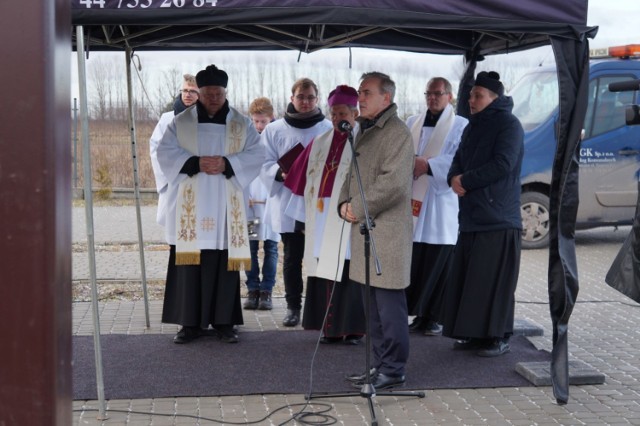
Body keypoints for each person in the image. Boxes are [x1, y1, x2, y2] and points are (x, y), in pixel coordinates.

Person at [157, 64, 265, 344]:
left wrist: (229, 163)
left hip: (226, 205)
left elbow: (257, 154)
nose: (214, 98)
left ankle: (224, 322)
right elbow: (164, 151)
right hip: (190, 209)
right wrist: (194, 162)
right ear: (200, 93)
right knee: (189, 263)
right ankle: (189, 324)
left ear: (225, 92)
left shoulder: (241, 124)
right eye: (208, 94)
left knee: (224, 261)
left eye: (218, 93)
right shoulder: (181, 123)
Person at [339, 72, 414, 390]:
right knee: (372, 308)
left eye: (367, 92)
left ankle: (394, 368)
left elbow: (394, 184)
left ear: (387, 97)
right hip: (366, 232)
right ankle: (379, 364)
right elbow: (351, 171)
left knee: (388, 307)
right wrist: (344, 202)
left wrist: (358, 206)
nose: (361, 97)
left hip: (387, 234)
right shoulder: (364, 130)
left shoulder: (397, 133)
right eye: (360, 91)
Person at [442, 71, 524, 357]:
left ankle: (497, 336)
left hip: (498, 216)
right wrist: (453, 177)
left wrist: (466, 180)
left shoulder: (509, 125)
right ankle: (475, 334)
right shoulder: (472, 126)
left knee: (494, 281)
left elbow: (503, 163)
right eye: (471, 94)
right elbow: (458, 158)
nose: (471, 99)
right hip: (472, 216)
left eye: (478, 95)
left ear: (494, 98)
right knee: (472, 279)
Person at [283, 85, 366, 344]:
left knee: (349, 271)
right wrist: (300, 218)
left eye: (342, 113)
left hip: (349, 216)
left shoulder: (364, 140)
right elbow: (300, 181)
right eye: (333, 114)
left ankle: (352, 329)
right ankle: (328, 328)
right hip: (321, 216)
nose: (336, 119)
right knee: (324, 270)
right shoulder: (320, 142)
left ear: (355, 113)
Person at [260, 78, 333, 327]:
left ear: (317, 99)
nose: (305, 102)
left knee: (318, 258)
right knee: (292, 258)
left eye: (310, 97)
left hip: (317, 204)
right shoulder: (274, 129)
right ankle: (293, 307)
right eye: (301, 97)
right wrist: (280, 174)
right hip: (287, 200)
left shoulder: (328, 128)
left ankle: (318, 309)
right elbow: (264, 161)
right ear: (292, 98)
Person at [404, 77, 468, 336]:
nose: (432, 98)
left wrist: (428, 165)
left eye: (438, 94)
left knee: (438, 260)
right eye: (428, 93)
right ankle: (419, 314)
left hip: (440, 203)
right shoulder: (412, 122)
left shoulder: (461, 125)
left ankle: (434, 316)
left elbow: (460, 159)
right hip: (414, 197)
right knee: (416, 259)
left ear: (449, 96)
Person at [243, 97, 280, 311]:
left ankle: (267, 291)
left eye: (263, 122)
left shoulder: (276, 136)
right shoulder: (246, 139)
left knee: (271, 248)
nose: (259, 126)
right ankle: (252, 289)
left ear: (271, 118)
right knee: (251, 247)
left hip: (271, 201)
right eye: (255, 121)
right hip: (250, 203)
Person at [149, 74, 199, 227]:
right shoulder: (167, 119)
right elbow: (156, 148)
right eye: (184, 90)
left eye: (192, 91)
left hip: (199, 179)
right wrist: (168, 176)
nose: (187, 94)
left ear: (199, 94)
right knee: (174, 227)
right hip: (174, 180)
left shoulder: (206, 119)